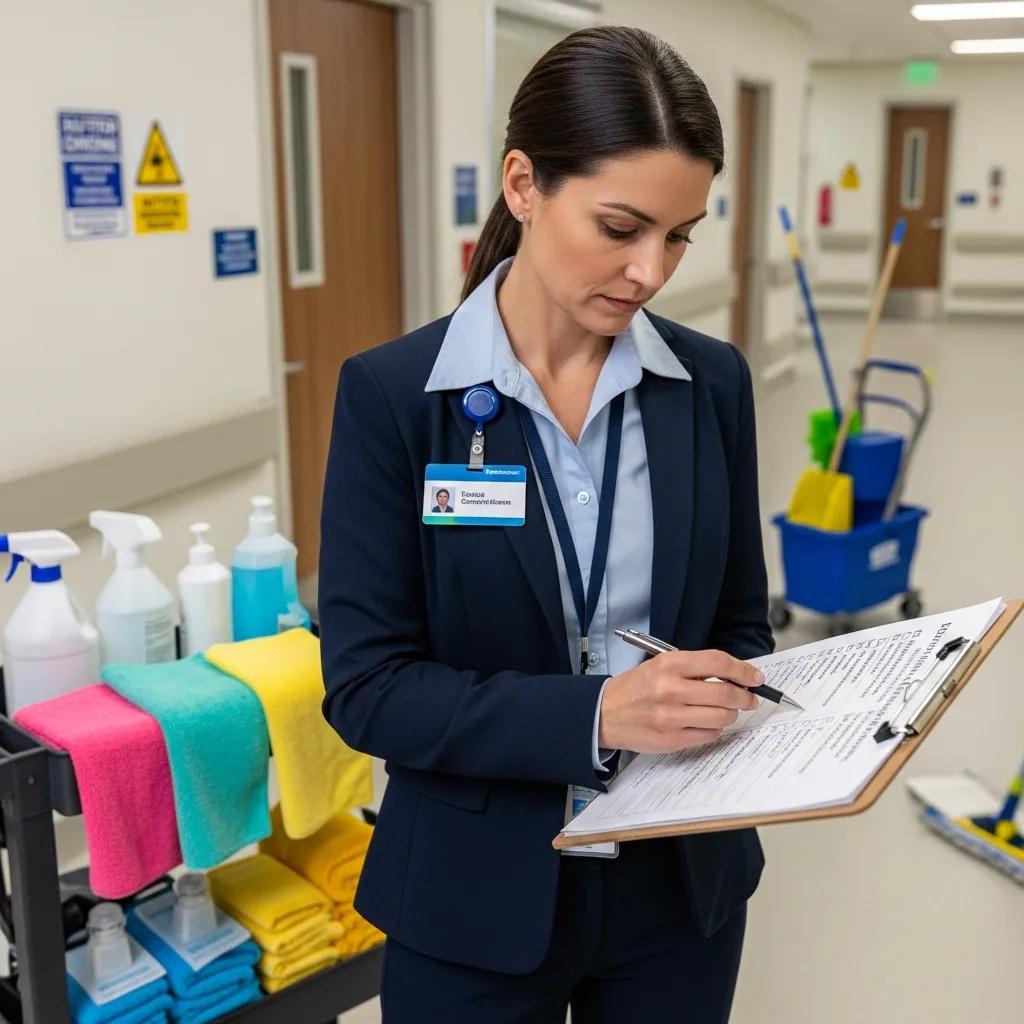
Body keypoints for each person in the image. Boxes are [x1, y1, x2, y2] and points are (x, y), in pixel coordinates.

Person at [319, 25, 773, 1023]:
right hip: (471, 899)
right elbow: (368, 688)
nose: (651, 270)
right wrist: (597, 716)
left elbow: (741, 621)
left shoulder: (708, 385)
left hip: (677, 890)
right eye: (620, 226)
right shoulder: (398, 397)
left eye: (680, 232)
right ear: (523, 185)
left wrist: (759, 705)